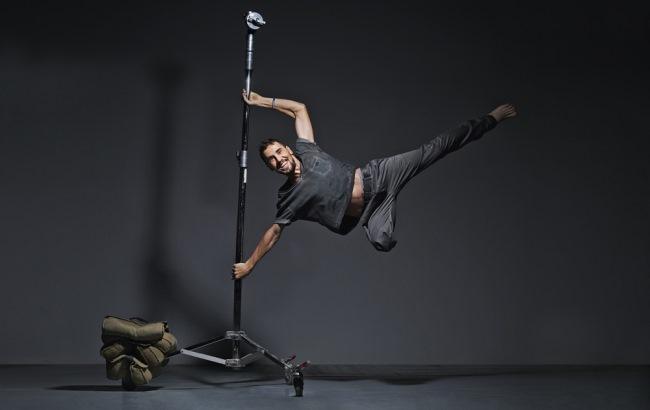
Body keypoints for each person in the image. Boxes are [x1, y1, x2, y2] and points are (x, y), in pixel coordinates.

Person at [232, 90, 517, 279]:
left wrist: (262, 101)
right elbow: (273, 233)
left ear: (287, 148)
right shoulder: (288, 199)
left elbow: (299, 109)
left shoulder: (306, 149)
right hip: (370, 212)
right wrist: (249, 265)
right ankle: (384, 215)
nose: (279, 159)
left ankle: (491, 119)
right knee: (382, 241)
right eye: (272, 160)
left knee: (435, 149)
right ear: (270, 168)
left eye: (279, 152)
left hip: (378, 175)